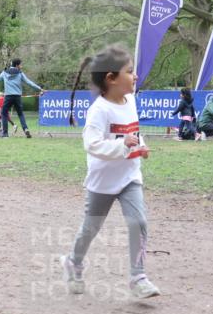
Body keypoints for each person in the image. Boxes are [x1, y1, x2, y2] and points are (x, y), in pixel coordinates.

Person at [59, 44, 160, 300]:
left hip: (129, 178)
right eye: (130, 71)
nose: (135, 76)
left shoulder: (132, 101)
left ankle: (138, 277)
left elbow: (133, 133)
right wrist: (121, 145)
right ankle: (73, 262)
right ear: (111, 78)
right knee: (90, 229)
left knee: (138, 222)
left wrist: (141, 146)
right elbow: (91, 145)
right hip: (102, 182)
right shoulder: (99, 111)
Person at [0, 58, 43, 138]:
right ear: (17, 65)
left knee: (3, 113)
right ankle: (26, 129)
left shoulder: (4, 73)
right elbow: (29, 82)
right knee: (20, 114)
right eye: (21, 64)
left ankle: (5, 133)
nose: (21, 66)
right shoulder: (20, 73)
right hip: (17, 97)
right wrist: (40, 89)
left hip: (8, 97)